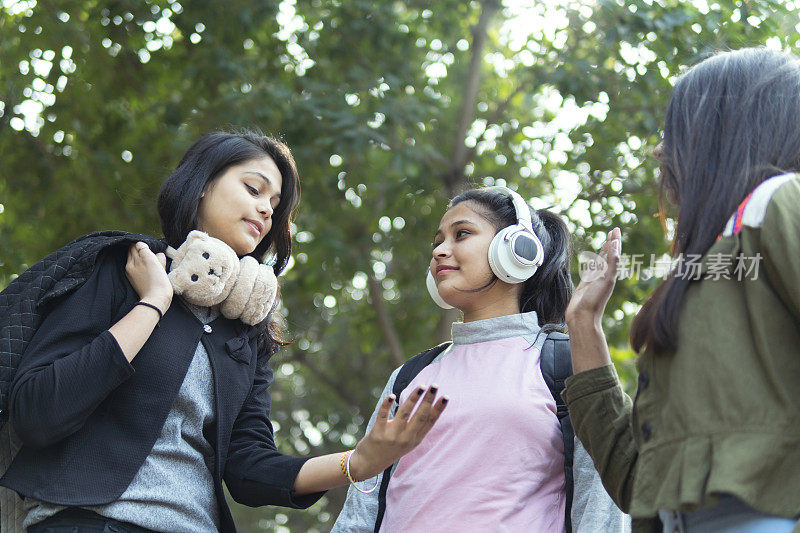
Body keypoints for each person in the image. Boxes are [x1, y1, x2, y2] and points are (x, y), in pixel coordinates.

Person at [0, 130, 447, 533]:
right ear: (200, 186)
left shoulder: (246, 332)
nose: (265, 211)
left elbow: (249, 468)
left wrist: (360, 462)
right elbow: (39, 410)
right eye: (254, 189)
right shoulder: (123, 269)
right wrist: (153, 302)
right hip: (93, 522)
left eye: (275, 207)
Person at [563, 47, 800, 532]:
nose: (660, 150)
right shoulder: (705, 271)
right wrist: (582, 324)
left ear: (724, 134)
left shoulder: (779, 203)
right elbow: (638, 478)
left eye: (678, 129)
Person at [333, 186, 628, 532]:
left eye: (461, 234)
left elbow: (601, 503)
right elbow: (361, 506)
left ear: (517, 247)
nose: (441, 251)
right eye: (437, 241)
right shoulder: (408, 375)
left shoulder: (568, 361)